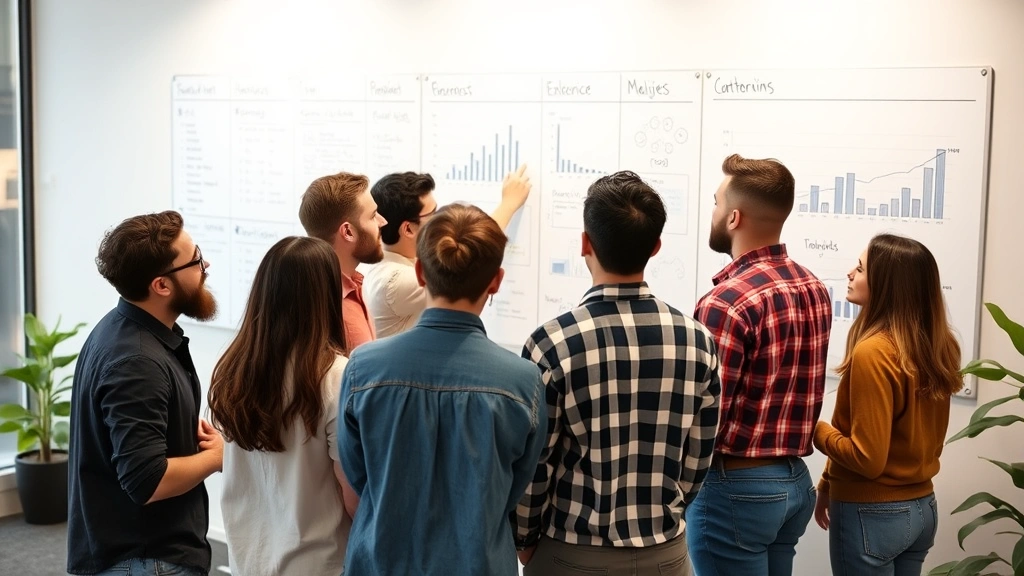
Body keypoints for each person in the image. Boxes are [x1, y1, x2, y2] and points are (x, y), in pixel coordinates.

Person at [513, 171, 722, 576]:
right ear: (656, 247)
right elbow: (697, 463)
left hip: (569, 554)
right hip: (666, 555)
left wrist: (524, 538)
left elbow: (534, 465)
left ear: (585, 243)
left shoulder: (551, 343)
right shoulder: (699, 341)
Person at [338, 203, 547, 576]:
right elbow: (512, 489)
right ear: (496, 281)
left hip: (381, 562)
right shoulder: (522, 381)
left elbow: (359, 474)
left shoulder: (363, 368)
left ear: (419, 272)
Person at [686, 154, 833, 576]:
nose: (712, 213)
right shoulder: (813, 287)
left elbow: (707, 416)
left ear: (734, 217)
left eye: (716, 203)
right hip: (793, 483)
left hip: (736, 490)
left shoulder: (725, 302)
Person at [68, 210, 221, 576]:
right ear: (161, 286)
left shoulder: (121, 330)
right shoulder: (137, 362)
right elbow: (147, 481)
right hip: (147, 560)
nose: (206, 265)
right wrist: (219, 458)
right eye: (196, 259)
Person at [208, 236, 358, 576]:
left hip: (249, 559)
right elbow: (352, 495)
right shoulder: (335, 375)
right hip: (319, 562)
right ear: (325, 297)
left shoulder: (234, 368)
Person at [813, 234, 961, 576]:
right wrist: (828, 482)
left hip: (872, 514)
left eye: (861, 268)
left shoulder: (874, 351)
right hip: (922, 510)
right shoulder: (940, 346)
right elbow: (870, 434)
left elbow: (867, 459)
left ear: (887, 285)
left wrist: (815, 429)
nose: (850, 273)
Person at [364, 165, 532, 338]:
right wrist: (509, 204)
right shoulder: (395, 280)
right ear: (408, 229)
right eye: (433, 213)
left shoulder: (395, 262)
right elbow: (471, 253)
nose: (440, 220)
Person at [298, 171, 387, 350]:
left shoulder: (352, 286)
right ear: (348, 232)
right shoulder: (328, 309)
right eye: (373, 216)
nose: (382, 221)